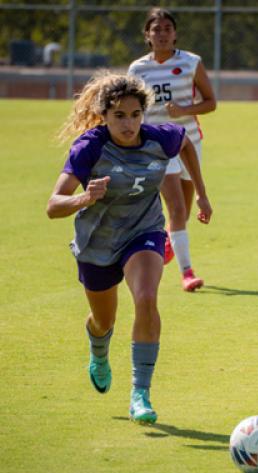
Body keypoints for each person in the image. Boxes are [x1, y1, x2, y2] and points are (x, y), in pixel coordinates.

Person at [47, 72, 212, 423]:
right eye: (119, 115)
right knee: (104, 320)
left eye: (135, 114)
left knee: (146, 298)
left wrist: (200, 192)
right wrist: (83, 199)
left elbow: (185, 144)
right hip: (98, 243)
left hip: (144, 231)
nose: (128, 123)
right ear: (104, 115)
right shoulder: (90, 147)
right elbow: (53, 205)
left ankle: (140, 393)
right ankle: (99, 347)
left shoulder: (159, 137)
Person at [128, 7, 217, 292]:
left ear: (175, 34)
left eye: (167, 28)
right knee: (176, 208)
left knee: (184, 211)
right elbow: (131, 108)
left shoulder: (191, 62)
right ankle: (187, 273)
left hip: (190, 142)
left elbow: (211, 102)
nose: (162, 34)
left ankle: (170, 240)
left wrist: (183, 111)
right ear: (147, 35)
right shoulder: (137, 69)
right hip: (157, 147)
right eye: (156, 29)